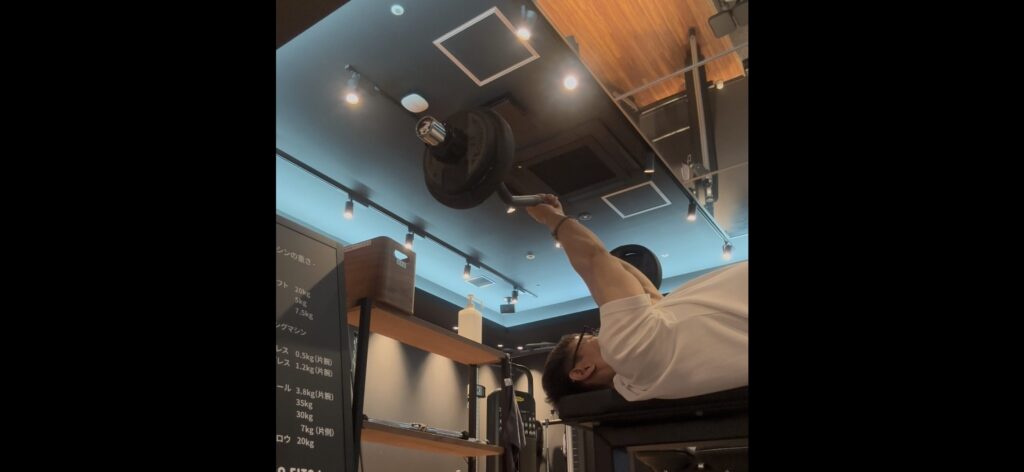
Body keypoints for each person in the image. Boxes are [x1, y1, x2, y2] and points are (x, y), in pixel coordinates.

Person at [527, 194, 747, 405]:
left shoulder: (640, 378)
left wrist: (562, 229)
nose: (599, 333)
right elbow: (594, 259)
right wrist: (549, 217)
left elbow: (645, 292)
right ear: (582, 371)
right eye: (589, 336)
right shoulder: (627, 354)